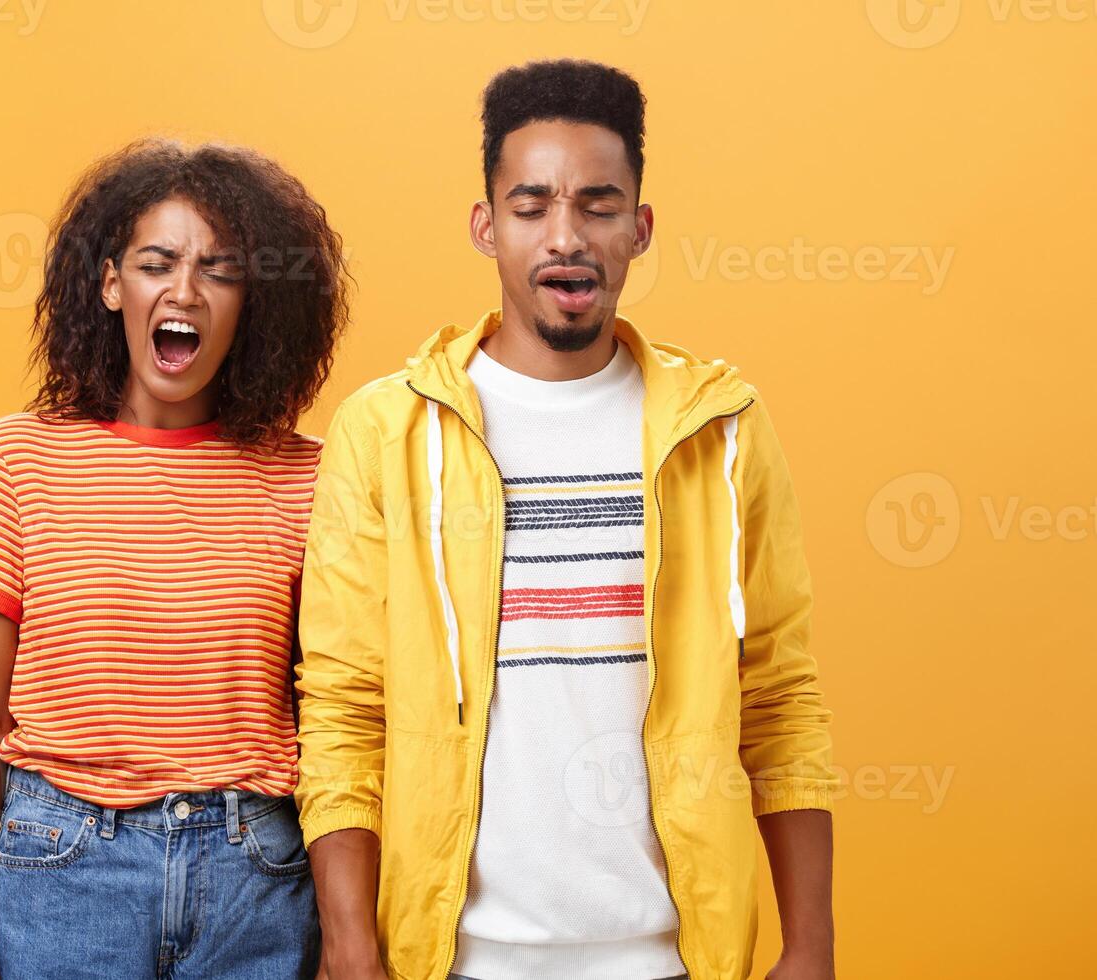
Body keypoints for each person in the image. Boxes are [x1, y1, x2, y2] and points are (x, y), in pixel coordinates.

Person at [294, 60, 837, 980]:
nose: (565, 237)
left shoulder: (722, 429)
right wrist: (351, 949)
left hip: (673, 958)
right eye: (531, 204)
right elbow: (343, 706)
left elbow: (779, 698)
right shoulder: (385, 430)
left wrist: (811, 947)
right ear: (485, 226)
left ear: (639, 227)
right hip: (455, 959)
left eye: (596, 204)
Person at [0, 138, 348, 980]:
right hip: (62, 869)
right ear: (111, 284)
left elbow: (341, 720)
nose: (183, 291)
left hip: (255, 878)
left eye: (218, 270)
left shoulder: (310, 474)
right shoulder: (19, 459)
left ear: (251, 301)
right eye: (157, 263)